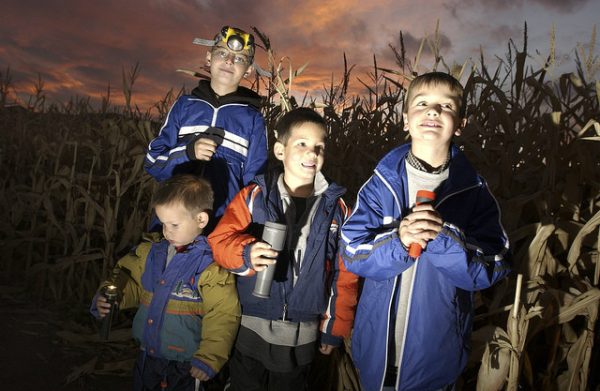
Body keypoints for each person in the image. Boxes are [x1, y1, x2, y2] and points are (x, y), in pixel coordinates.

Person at [339, 72, 511, 391]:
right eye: (422, 104)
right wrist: (399, 240)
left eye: (445, 105)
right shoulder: (381, 185)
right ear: (405, 119)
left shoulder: (473, 193)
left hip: (436, 358)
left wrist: (443, 239)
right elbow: (352, 253)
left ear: (460, 123)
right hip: (376, 351)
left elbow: (494, 266)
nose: (433, 111)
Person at [208, 108, 358, 391]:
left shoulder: (337, 209)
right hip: (251, 323)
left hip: (302, 332)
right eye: (302, 144)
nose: (312, 153)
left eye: (319, 147)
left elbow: (345, 274)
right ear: (280, 150)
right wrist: (245, 253)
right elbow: (220, 240)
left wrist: (333, 328)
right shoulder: (255, 196)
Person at [91, 175, 240, 391]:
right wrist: (110, 298)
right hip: (148, 356)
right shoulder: (150, 253)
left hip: (185, 366)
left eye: (174, 224)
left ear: (201, 220)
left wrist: (209, 358)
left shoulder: (210, 267)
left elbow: (223, 314)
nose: (166, 231)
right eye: (162, 224)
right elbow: (129, 281)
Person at [144, 26, 268, 229]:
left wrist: (250, 233)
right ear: (208, 58)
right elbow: (152, 163)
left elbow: (255, 185)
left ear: (249, 69)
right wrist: (188, 152)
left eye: (239, 58)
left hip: (220, 231)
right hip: (170, 227)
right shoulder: (184, 106)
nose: (229, 61)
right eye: (222, 53)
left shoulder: (252, 119)